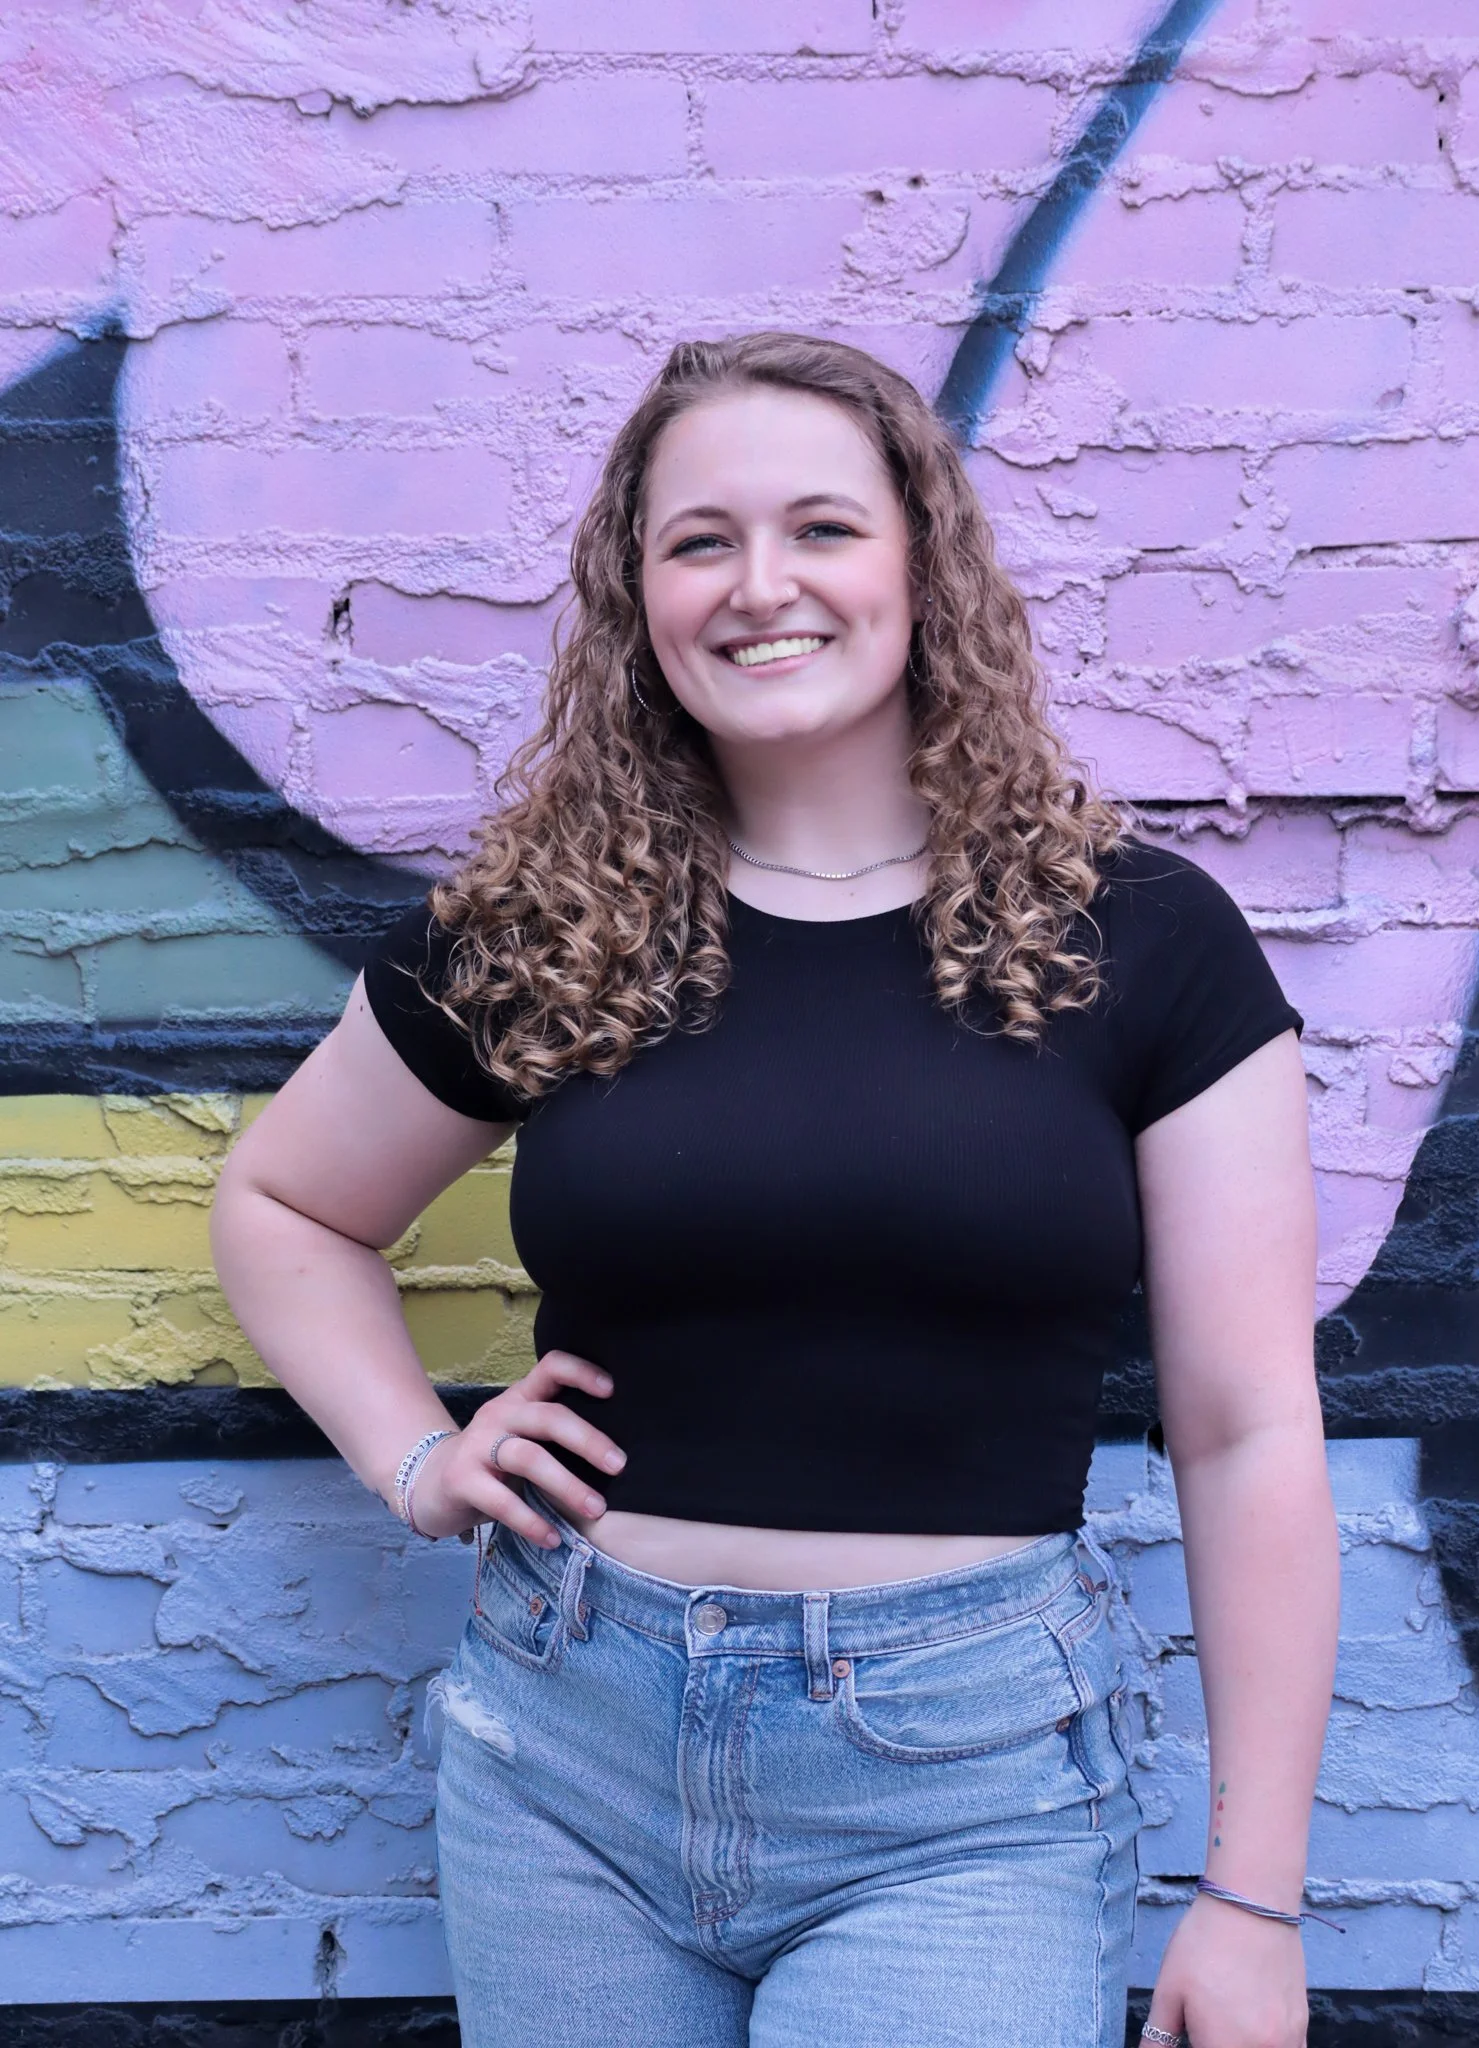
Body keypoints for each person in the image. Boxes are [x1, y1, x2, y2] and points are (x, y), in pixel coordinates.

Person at [211, 331, 1338, 2048]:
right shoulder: (549, 926)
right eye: (699, 542)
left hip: (963, 1796)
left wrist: (1254, 1900)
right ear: (639, 597)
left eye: (821, 528)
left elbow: (1248, 1432)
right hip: (565, 1758)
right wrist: (416, 1459)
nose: (760, 586)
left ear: (922, 567)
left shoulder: (1138, 940)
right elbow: (288, 1206)